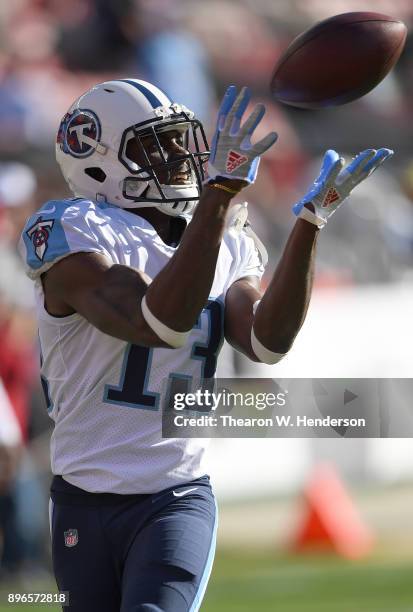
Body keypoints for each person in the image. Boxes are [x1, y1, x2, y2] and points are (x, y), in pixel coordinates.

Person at [19, 79, 392, 611]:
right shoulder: (74, 229)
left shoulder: (227, 239)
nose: (180, 157)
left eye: (177, 141)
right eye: (156, 145)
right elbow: (158, 321)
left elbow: (267, 342)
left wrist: (311, 223)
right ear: (98, 163)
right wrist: (218, 197)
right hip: (82, 494)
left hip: (174, 495)